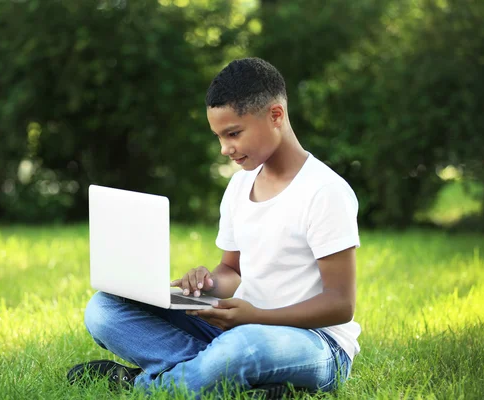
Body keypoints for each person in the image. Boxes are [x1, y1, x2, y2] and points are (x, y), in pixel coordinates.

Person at [68, 57, 361, 399]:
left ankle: (141, 386)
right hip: (242, 325)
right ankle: (240, 383)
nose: (225, 149)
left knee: (244, 348)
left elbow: (340, 304)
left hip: (315, 344)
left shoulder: (325, 192)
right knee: (103, 309)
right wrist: (206, 283)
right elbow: (231, 271)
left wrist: (259, 317)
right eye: (219, 136)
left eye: (233, 133)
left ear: (276, 115)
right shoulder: (240, 187)